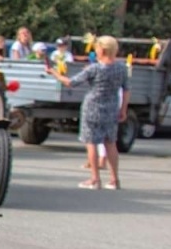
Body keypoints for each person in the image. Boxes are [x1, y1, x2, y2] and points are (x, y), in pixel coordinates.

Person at [53, 35, 127, 190]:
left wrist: (54, 73)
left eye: (97, 49)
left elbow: (70, 82)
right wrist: (123, 109)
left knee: (91, 142)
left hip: (93, 106)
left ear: (103, 50)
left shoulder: (94, 68)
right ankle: (114, 180)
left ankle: (95, 179)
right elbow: (126, 89)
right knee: (110, 143)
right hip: (112, 107)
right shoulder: (121, 68)